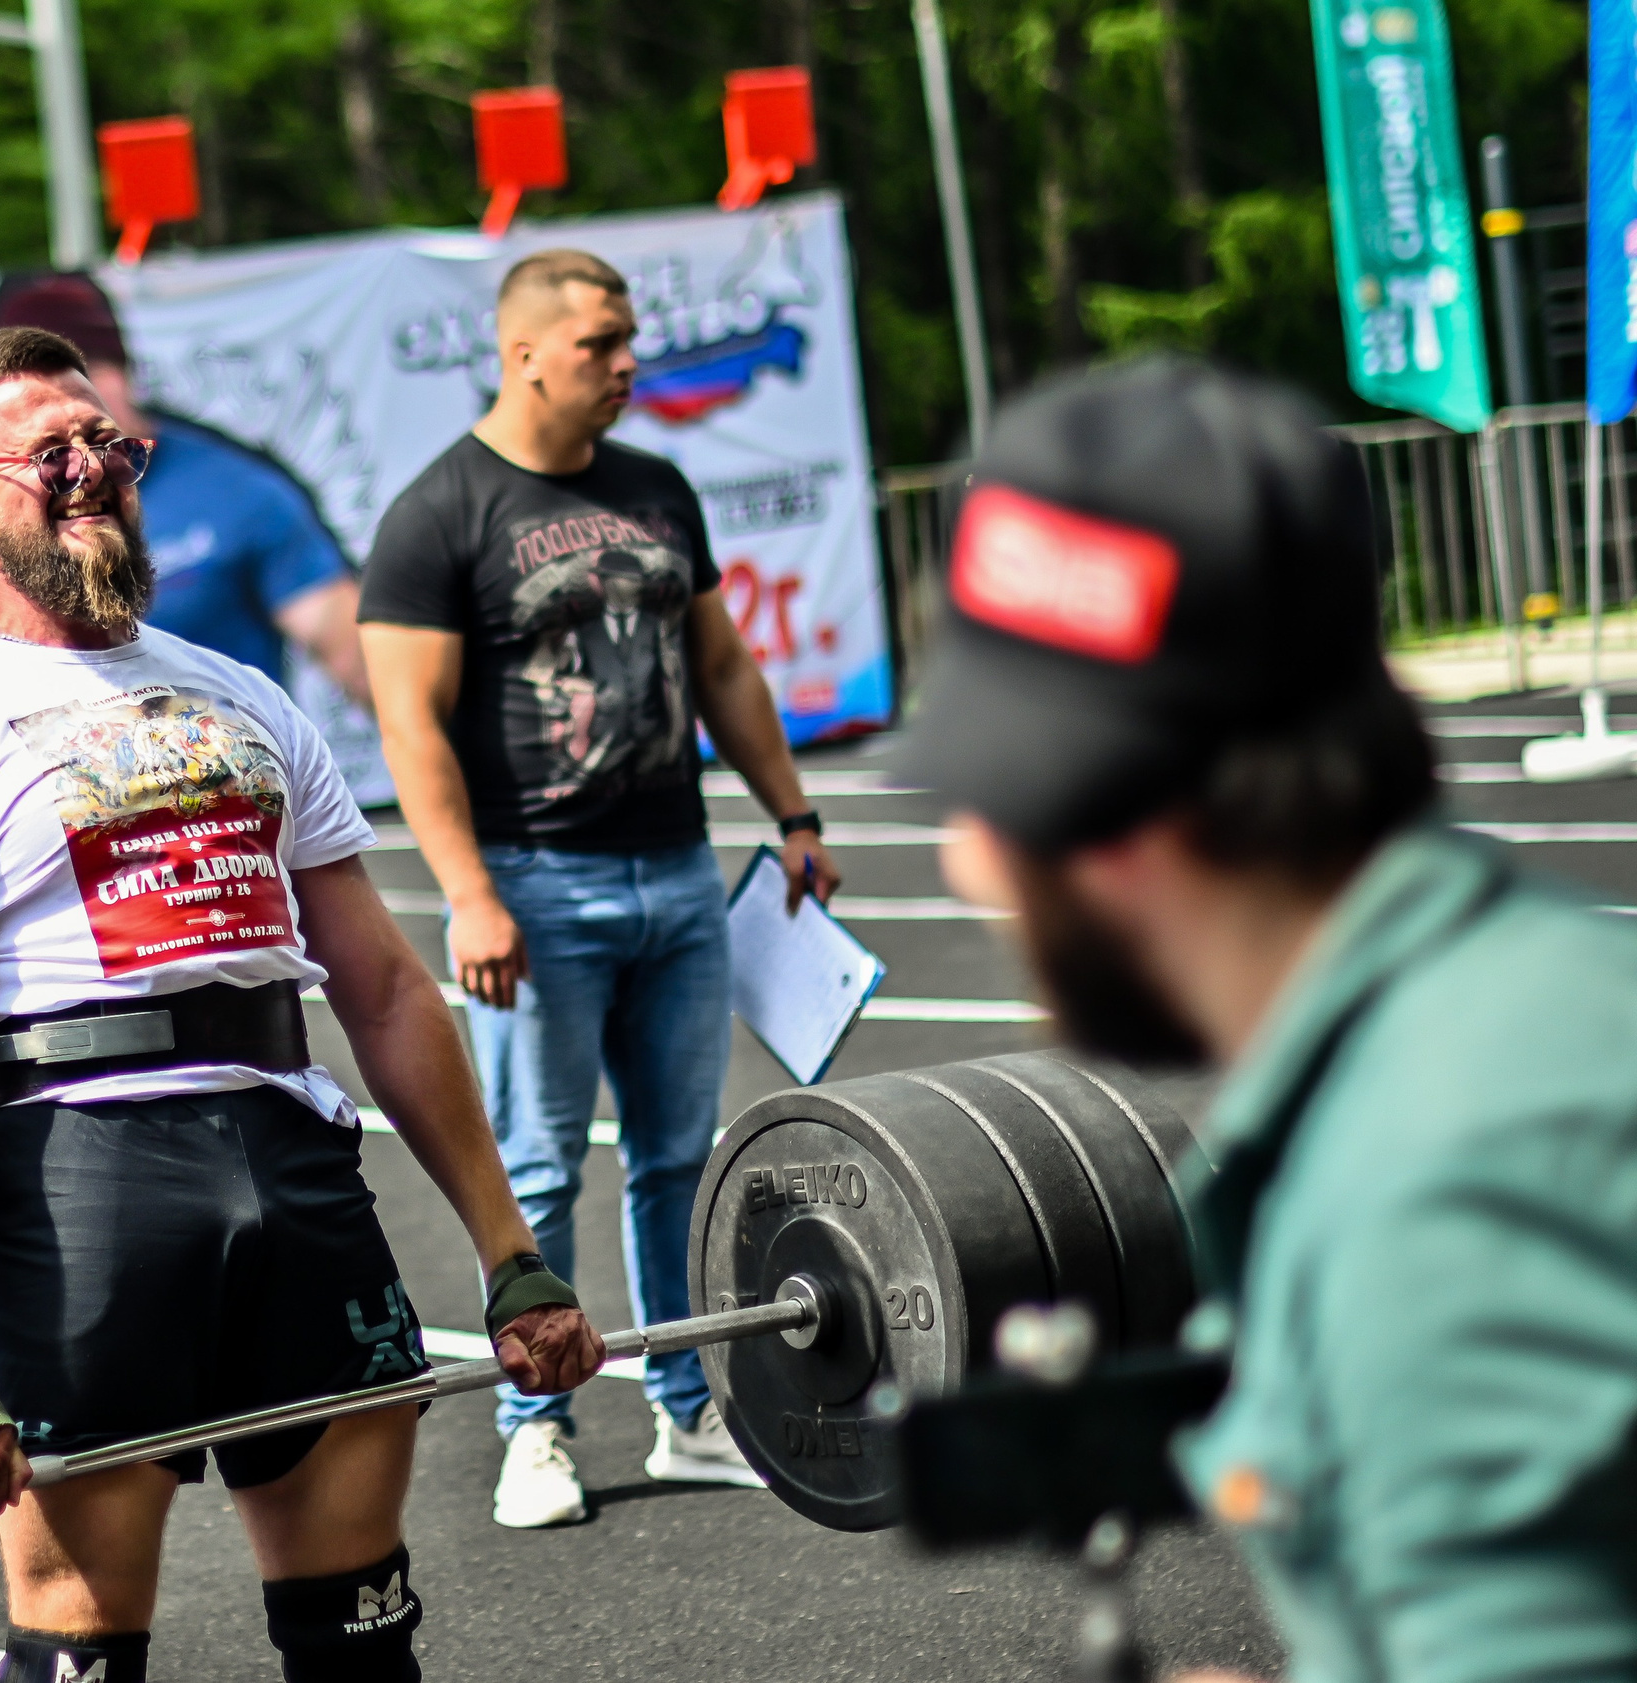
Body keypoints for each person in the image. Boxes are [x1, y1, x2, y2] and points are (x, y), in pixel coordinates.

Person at [0, 325, 605, 1683]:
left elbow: (377, 982)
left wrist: (510, 1251)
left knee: (364, 1635)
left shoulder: (239, 692)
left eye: (110, 448)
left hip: (293, 1157)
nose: (91, 474)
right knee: (82, 1650)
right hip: (83, 1184)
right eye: (49, 454)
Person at [897, 358, 1637, 1683]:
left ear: (1121, 809)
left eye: (988, 794)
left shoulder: (1447, 1186)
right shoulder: (1498, 1016)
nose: (965, 859)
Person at [356, 248, 843, 1529]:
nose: (628, 365)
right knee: (535, 1166)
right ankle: (537, 1429)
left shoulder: (655, 486)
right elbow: (410, 724)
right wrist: (467, 892)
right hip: (535, 883)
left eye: (630, 342)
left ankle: (687, 1409)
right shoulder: (439, 513)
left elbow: (724, 668)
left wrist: (789, 812)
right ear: (523, 353)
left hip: (676, 873)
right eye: (600, 346)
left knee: (681, 1158)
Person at [0, 272, 372, 709]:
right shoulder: (5, 511)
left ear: (126, 371)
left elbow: (354, 652)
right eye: (43, 393)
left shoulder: (234, 486)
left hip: (236, 766)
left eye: (89, 374)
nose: (73, 407)